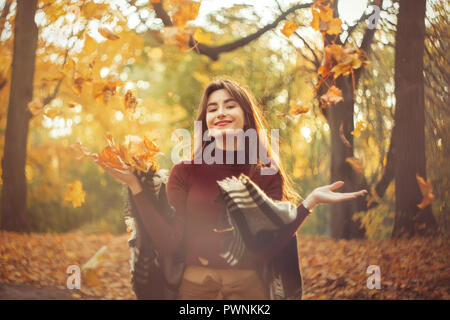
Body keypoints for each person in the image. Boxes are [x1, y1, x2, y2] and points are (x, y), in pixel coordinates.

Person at [95, 77, 368, 300]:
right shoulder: (185, 171)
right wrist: (135, 186)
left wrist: (309, 203)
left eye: (230, 105)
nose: (221, 113)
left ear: (245, 115)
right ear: (205, 121)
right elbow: (170, 242)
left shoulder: (265, 171)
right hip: (194, 291)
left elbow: (268, 245)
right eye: (212, 109)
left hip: (249, 292)